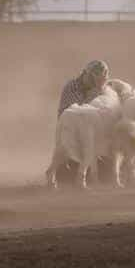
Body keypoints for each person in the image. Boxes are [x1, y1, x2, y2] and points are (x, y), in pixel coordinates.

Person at [55, 60, 115, 188]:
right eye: (92, 78)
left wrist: (101, 91)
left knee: (108, 174)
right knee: (65, 178)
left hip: (92, 139)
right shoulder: (72, 87)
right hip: (72, 135)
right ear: (85, 74)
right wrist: (96, 93)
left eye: (98, 79)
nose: (94, 82)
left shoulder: (103, 89)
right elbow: (76, 113)